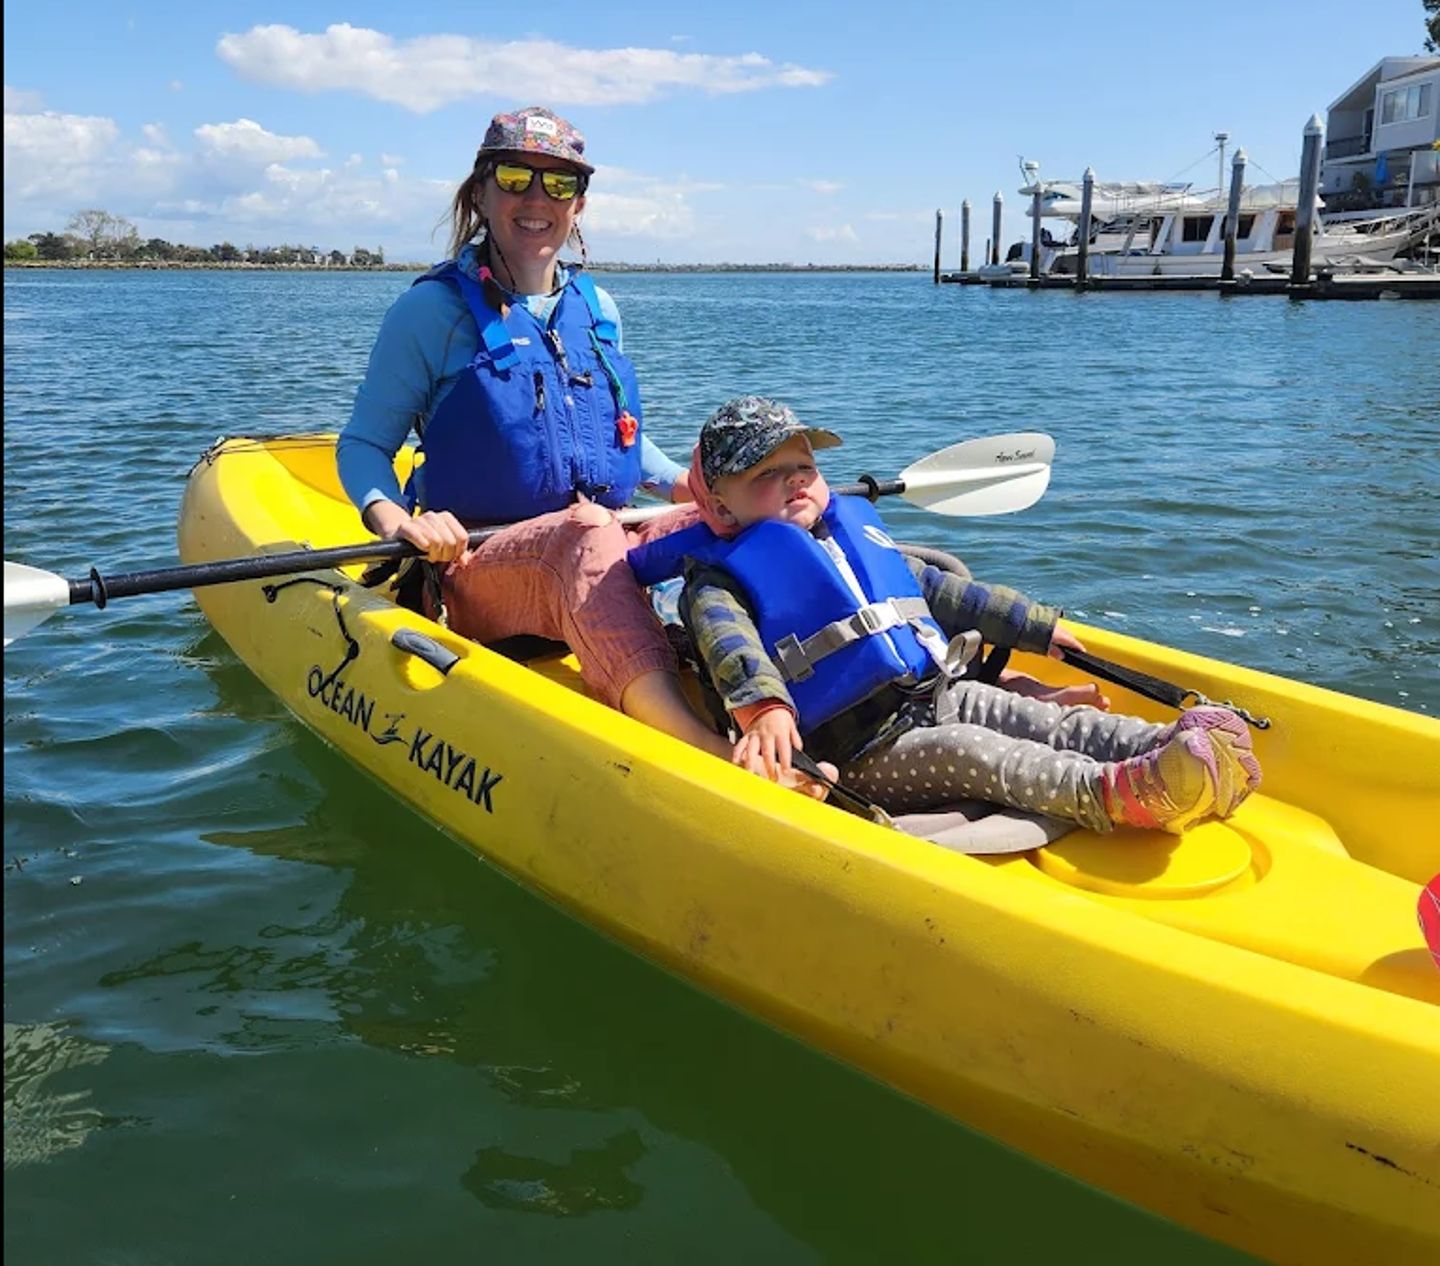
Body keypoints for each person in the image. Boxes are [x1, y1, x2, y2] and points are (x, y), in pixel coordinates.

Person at [629, 397, 1263, 833]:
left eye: (806, 467)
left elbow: (946, 593)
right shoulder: (717, 582)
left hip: (937, 692)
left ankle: (1178, 751)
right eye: (768, 474)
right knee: (980, 753)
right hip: (860, 750)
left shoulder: (852, 538)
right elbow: (729, 644)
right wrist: (763, 707)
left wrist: (1036, 626)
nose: (797, 481)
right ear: (719, 505)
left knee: (1036, 717)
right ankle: (1122, 794)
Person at [335, 105, 729, 760]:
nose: (538, 199)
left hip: (604, 547)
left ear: (580, 204)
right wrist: (396, 521)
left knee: (751, 513)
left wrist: (694, 488)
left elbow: (619, 438)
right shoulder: (427, 313)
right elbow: (365, 445)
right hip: (480, 568)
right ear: (481, 194)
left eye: (561, 184)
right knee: (586, 528)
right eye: (517, 177)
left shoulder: (598, 309)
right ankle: (700, 750)